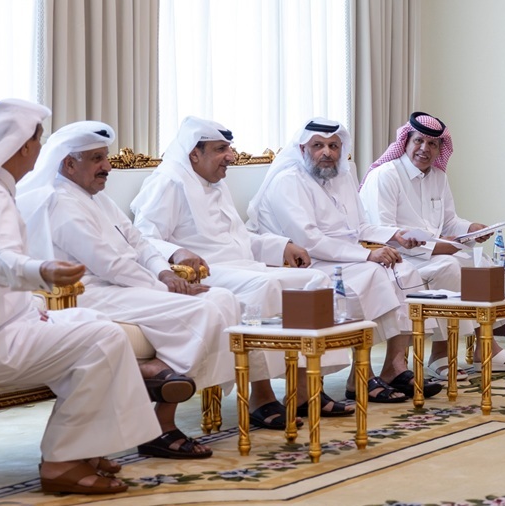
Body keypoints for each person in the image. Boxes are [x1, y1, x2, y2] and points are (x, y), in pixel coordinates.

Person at [0, 99, 161, 496]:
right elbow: (2, 260)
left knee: (95, 324)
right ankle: (61, 461)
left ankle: (87, 448)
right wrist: (44, 271)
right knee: (104, 338)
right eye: (38, 141)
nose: (40, 149)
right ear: (22, 147)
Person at [17, 121, 298, 437]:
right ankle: (161, 420)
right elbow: (110, 264)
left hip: (125, 285)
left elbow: (139, 242)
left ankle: (163, 389)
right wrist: (164, 285)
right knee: (202, 309)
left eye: (105, 157)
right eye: (97, 159)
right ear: (69, 163)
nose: (107, 167)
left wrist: (163, 272)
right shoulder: (59, 202)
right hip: (88, 291)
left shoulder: (95, 197)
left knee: (222, 298)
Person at [131, 116, 352, 417]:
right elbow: (143, 236)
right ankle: (260, 393)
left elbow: (238, 237)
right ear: (194, 153)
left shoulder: (216, 183)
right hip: (209, 269)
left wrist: (280, 246)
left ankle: (305, 390)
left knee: (314, 279)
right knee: (265, 286)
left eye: (229, 149)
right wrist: (177, 252)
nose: (230, 157)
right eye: (221, 149)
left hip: (243, 265)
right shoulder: (169, 181)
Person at [247, 118, 442, 402]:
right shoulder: (288, 181)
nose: (327, 152)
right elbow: (310, 240)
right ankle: (362, 374)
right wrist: (367, 254)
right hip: (302, 261)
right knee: (373, 275)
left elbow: (360, 228)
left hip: (342, 257)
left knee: (405, 271)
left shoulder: (343, 175)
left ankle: (393, 368)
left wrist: (394, 235)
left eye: (333, 146)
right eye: (318, 146)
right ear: (303, 149)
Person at [360, 111, 505, 379]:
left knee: (483, 264)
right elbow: (383, 232)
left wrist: (470, 229)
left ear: (440, 149)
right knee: (449, 265)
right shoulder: (385, 176)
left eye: (432, 144)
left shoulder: (438, 177)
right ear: (406, 141)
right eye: (418, 141)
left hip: (434, 253)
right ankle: (441, 353)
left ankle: (484, 346)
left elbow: (449, 222)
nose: (424, 149)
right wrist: (437, 248)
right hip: (401, 257)